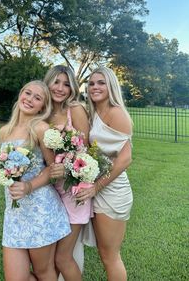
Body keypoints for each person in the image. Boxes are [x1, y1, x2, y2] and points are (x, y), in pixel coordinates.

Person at [0, 80, 71, 281]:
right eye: (27, 93)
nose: (30, 99)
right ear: (20, 94)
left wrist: (29, 185)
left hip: (40, 212)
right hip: (14, 214)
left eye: (37, 97)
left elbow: (52, 169)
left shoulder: (40, 129)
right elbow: (5, 165)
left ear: (43, 106)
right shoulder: (4, 130)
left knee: (43, 272)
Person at [76, 67, 133, 281]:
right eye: (91, 83)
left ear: (111, 86)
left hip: (112, 191)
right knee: (103, 252)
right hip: (97, 187)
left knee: (110, 256)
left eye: (101, 83)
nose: (95, 87)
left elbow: (125, 159)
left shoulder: (116, 113)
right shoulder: (93, 113)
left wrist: (95, 188)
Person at [43, 65, 90, 281]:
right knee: (50, 258)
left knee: (62, 258)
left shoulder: (76, 110)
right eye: (56, 82)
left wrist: (68, 167)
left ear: (72, 88)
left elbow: (89, 155)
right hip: (49, 193)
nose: (61, 88)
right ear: (48, 82)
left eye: (66, 84)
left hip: (74, 192)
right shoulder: (40, 112)